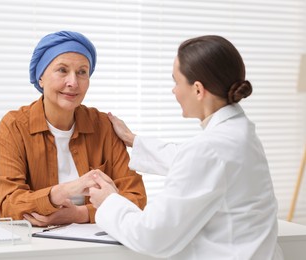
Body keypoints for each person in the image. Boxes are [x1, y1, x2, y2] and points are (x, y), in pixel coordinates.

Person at [89, 35, 284, 259]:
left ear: (198, 90)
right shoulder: (241, 133)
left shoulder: (209, 149)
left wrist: (109, 202)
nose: (174, 91)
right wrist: (133, 140)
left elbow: (151, 236)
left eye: (176, 82)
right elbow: (193, 161)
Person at [0, 31, 146, 226]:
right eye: (62, 70)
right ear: (41, 78)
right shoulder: (14, 126)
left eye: (82, 72)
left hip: (93, 242)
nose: (73, 82)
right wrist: (65, 191)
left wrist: (80, 214)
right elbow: (9, 205)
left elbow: (136, 198)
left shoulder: (104, 126)